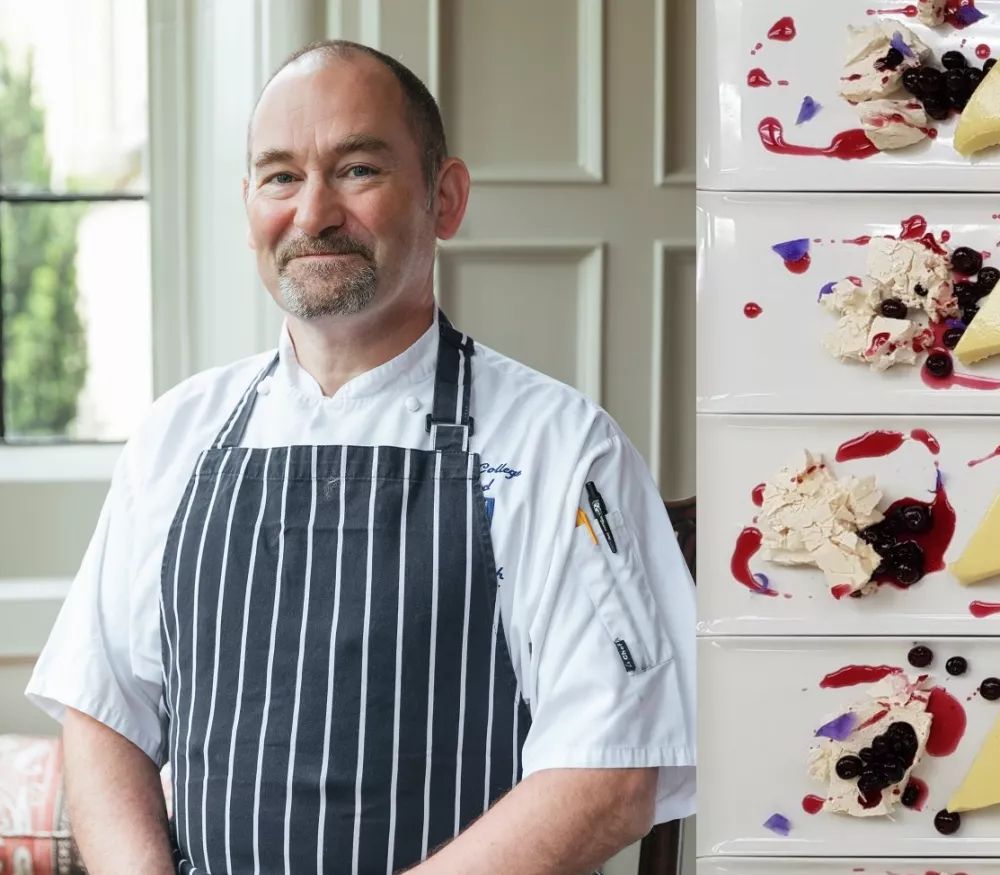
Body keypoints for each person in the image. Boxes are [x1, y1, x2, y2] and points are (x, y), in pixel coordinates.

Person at [25, 40, 696, 874]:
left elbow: (611, 772)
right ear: (248, 207)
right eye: (280, 177)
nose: (312, 214)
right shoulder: (177, 437)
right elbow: (102, 717)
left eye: (357, 169)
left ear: (444, 199)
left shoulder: (560, 450)